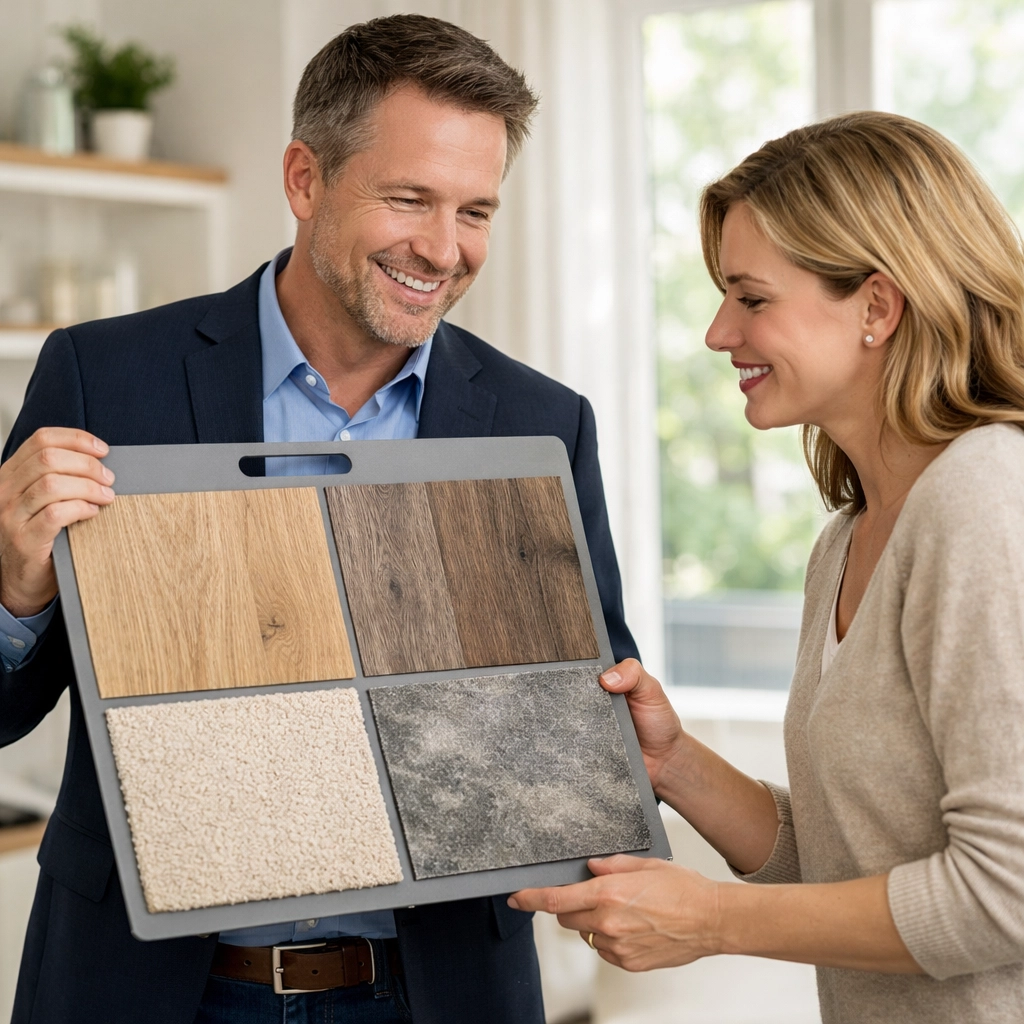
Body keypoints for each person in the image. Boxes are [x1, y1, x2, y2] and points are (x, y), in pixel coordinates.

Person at [0, 14, 638, 1024]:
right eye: (409, 199)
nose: (443, 248)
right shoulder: (105, 376)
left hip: (431, 993)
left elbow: (582, 707)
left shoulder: (537, 420)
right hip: (150, 988)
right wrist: (13, 587)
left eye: (476, 209)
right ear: (304, 178)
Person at [512, 111, 1024, 1022]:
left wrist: (711, 918)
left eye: (750, 298)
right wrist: (674, 764)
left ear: (878, 305)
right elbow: (848, 862)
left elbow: (1006, 894)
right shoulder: (848, 538)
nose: (717, 332)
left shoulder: (986, 498)